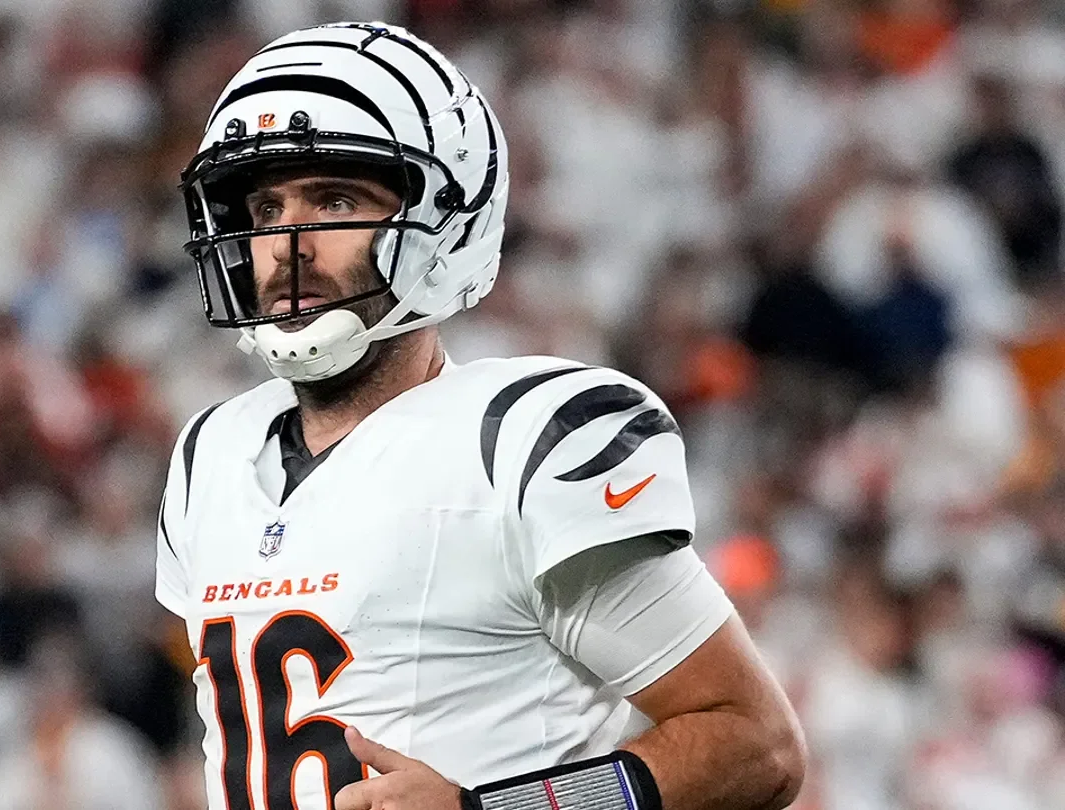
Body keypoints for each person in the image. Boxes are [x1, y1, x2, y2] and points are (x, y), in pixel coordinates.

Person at [156, 21, 805, 810]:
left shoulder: (517, 442)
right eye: (265, 208)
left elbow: (755, 744)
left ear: (445, 221)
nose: (288, 245)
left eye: (334, 200)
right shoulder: (209, 456)